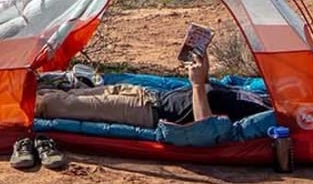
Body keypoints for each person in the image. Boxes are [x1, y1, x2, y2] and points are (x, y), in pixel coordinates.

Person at [34, 52, 271, 127]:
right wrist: (204, 71)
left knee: (51, 105)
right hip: (145, 94)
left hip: (145, 111)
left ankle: (6, 111)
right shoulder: (260, 97)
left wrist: (198, 84)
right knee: (59, 94)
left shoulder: (260, 115)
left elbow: (205, 128)